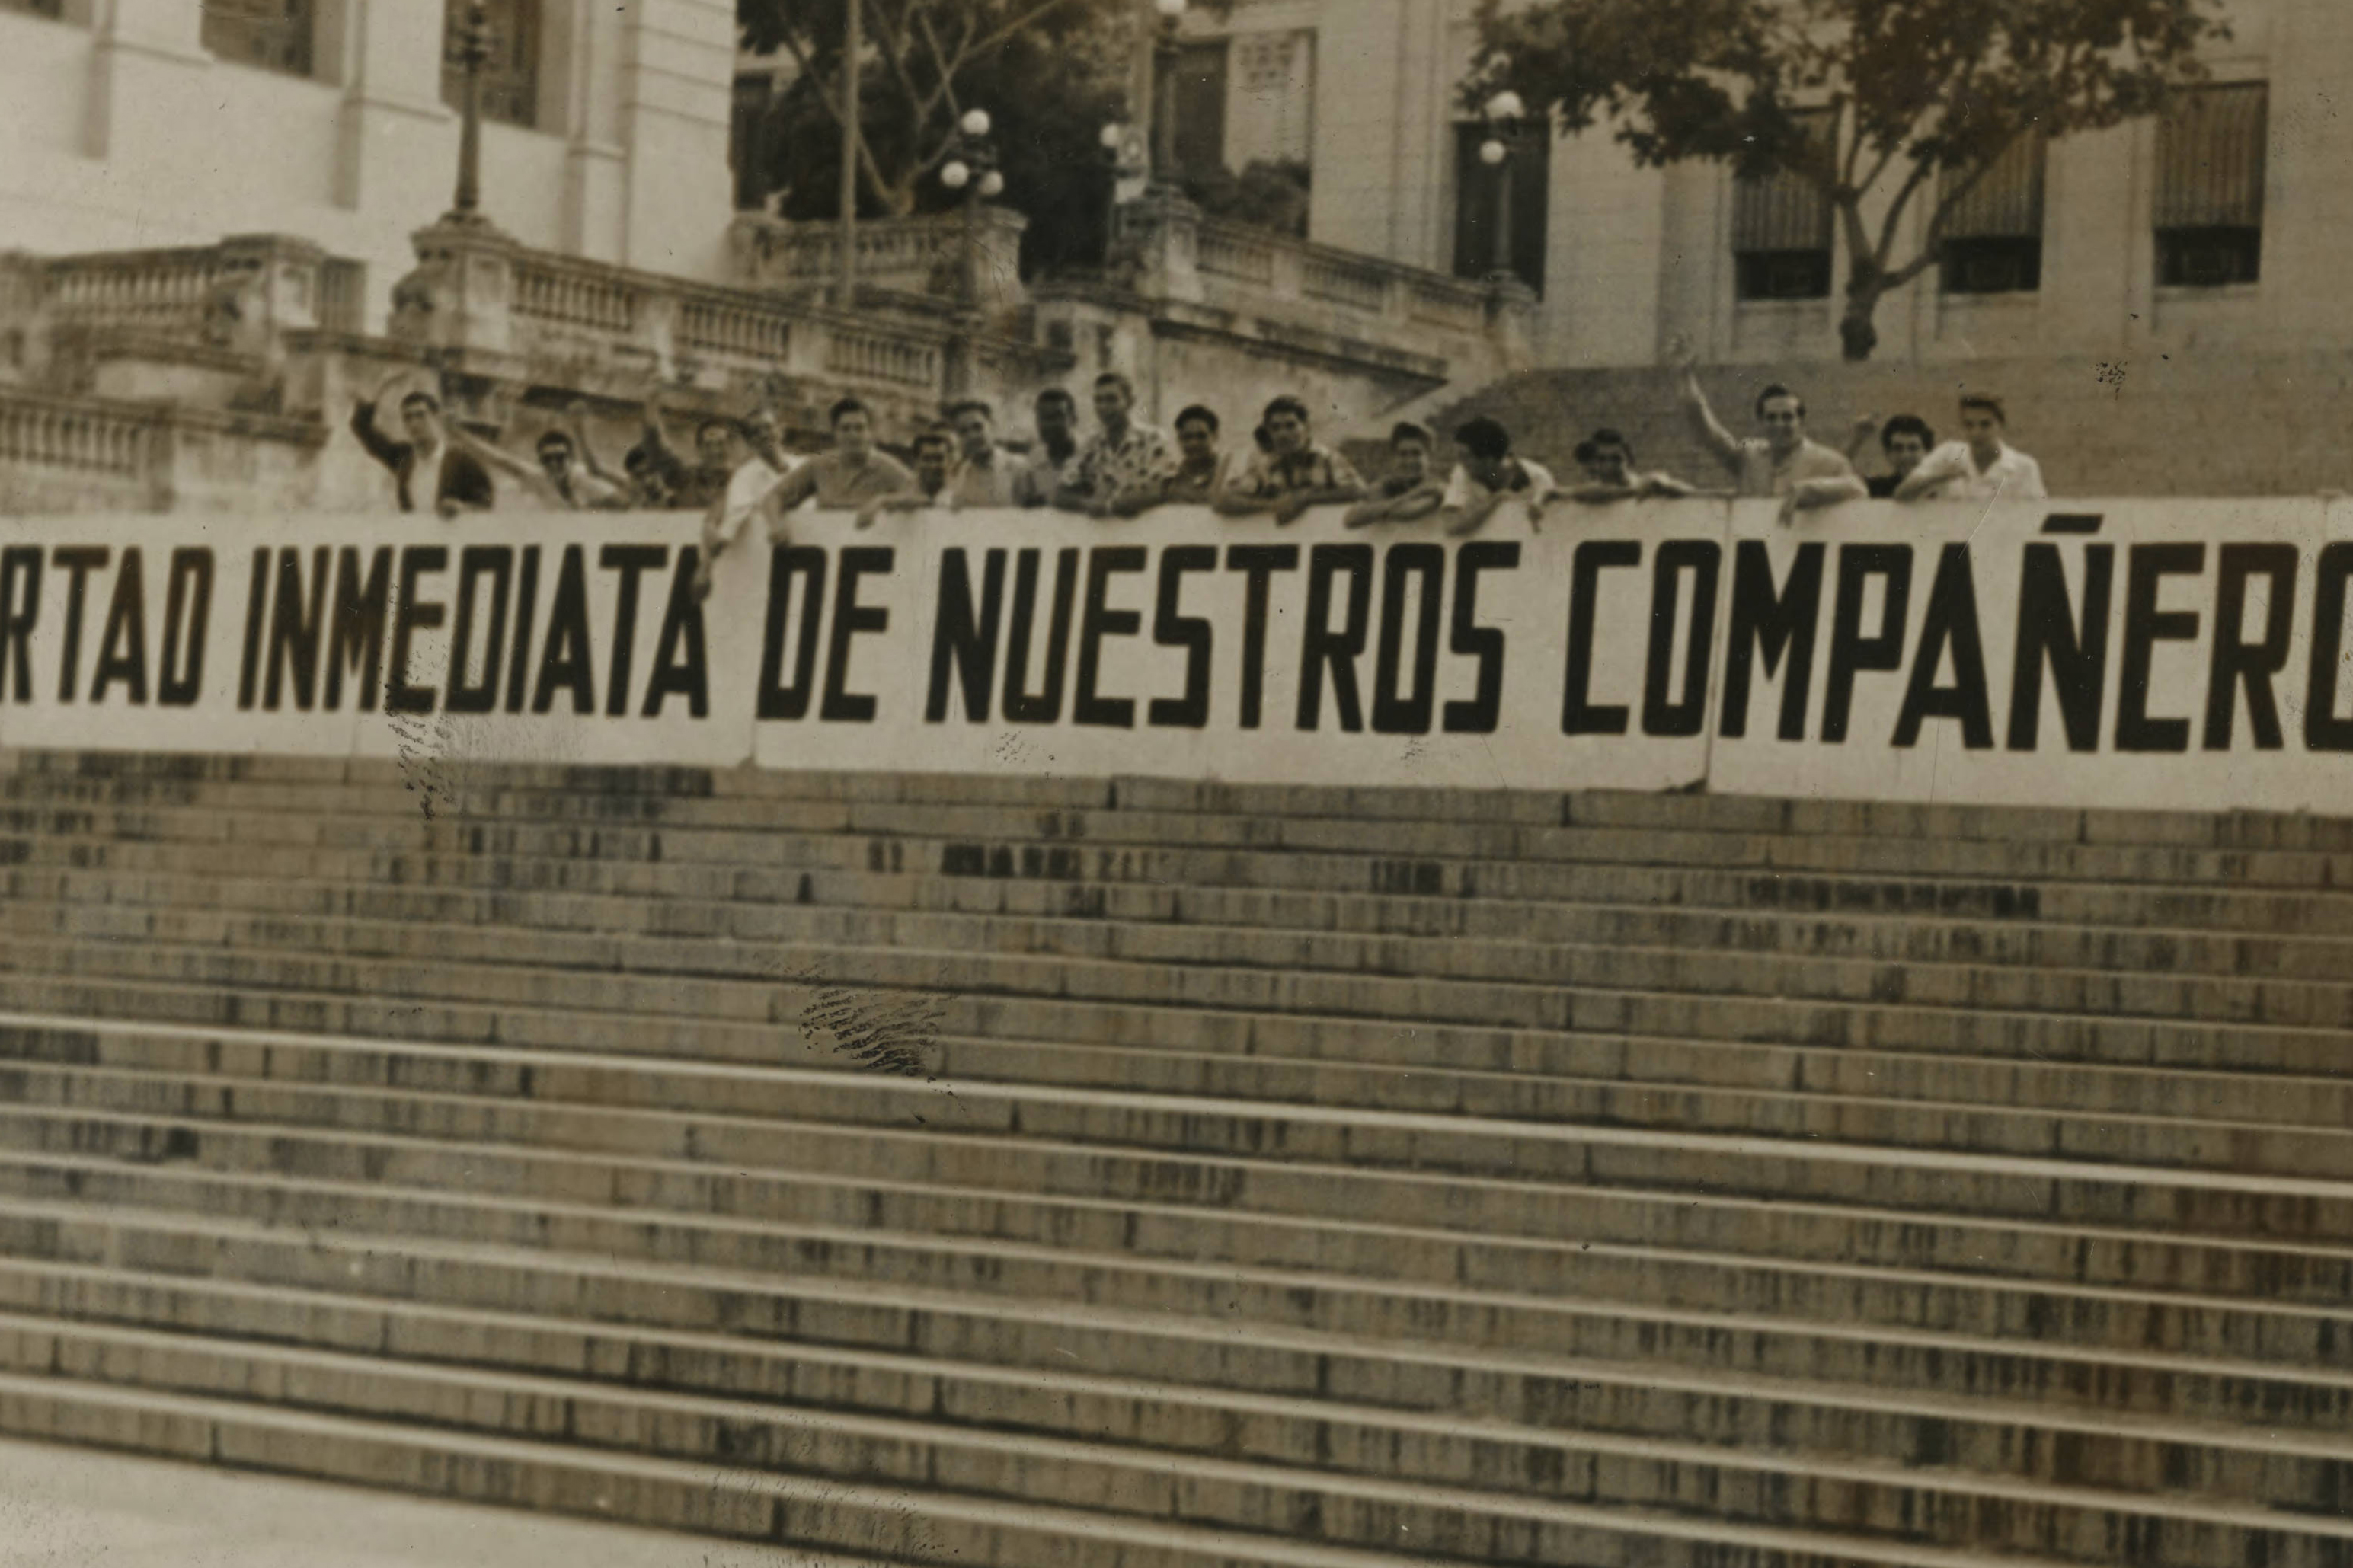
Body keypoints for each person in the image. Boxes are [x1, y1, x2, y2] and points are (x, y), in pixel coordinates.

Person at [1672, 338, 1866, 522]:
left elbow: (1858, 489)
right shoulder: (1749, 456)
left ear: (1801, 422)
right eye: (1771, 418)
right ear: (1761, 423)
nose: (1779, 424)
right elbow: (1708, 433)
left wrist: (1807, 490)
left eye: (1788, 417)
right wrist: (1686, 377)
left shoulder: (1827, 461)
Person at [750, 397, 919, 524]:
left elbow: (921, 495)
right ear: (835, 433)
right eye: (845, 429)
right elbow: (774, 497)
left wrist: (882, 501)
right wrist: (776, 525)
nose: (853, 435)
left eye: (859, 428)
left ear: (870, 433)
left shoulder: (886, 467)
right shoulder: (819, 465)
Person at [350, 370, 494, 517]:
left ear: (436, 418)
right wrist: (377, 390)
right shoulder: (403, 458)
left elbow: (486, 502)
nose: (414, 423)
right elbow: (363, 430)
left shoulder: (461, 460)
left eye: (421, 415)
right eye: (408, 418)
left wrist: (462, 508)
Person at [1215, 395, 1367, 523]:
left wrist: (1305, 497)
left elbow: (1358, 490)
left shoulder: (1327, 459)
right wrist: (1272, 505)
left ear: (1306, 427)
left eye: (1291, 426)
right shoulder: (1267, 466)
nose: (1283, 434)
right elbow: (1224, 501)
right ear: (1269, 433)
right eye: (1276, 428)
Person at [1063, 371, 1178, 518]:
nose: (1104, 407)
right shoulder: (1090, 444)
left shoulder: (1153, 439)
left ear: (1130, 401)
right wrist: (1086, 504)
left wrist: (1115, 504)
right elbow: (1061, 492)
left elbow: (1163, 489)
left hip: (1146, 534)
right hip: (1100, 536)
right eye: (1098, 400)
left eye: (1112, 399)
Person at [1895, 395, 2048, 501]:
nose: (1976, 432)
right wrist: (1940, 477)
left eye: (1985, 425)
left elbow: (2035, 515)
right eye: (1969, 425)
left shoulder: (2025, 466)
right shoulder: (1948, 454)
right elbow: (1901, 495)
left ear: (2001, 425)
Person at [1438, 417, 1556, 537]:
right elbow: (1451, 523)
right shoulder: (1463, 472)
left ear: (1488, 461)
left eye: (1465, 456)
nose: (1460, 462)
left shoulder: (1538, 477)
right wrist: (1496, 499)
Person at [1344, 422, 1446, 528]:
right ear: (1394, 458)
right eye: (1403, 454)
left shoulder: (1436, 486)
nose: (1410, 461)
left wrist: (1376, 509)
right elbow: (1351, 518)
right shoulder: (1389, 484)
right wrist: (1415, 493)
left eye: (1416, 453)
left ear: (1430, 457)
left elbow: (1408, 512)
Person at [855, 426, 958, 528]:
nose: (933, 465)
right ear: (916, 462)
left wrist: (883, 500)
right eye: (927, 459)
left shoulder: (958, 489)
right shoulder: (903, 488)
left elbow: (929, 501)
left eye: (939, 459)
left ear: (949, 461)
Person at [1565, 428, 1696, 503]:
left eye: (1616, 459)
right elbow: (1579, 492)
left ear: (1629, 460)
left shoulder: (1649, 480)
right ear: (1594, 464)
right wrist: (1632, 492)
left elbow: (1691, 493)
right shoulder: (1592, 490)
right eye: (1602, 459)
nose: (1609, 465)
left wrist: (1664, 485)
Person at [1012, 388, 1082, 509]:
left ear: (1074, 419)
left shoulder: (1091, 454)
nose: (1050, 425)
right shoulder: (1031, 463)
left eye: (1057, 417)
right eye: (1044, 418)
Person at [944, 400, 1021, 508]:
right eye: (963, 431)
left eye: (978, 427)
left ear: (992, 426)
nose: (972, 436)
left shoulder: (1019, 469)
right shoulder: (958, 478)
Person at [1848, 414, 1938, 499]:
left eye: (1913, 448)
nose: (1905, 455)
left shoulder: (1942, 489)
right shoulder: (1877, 489)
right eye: (1898, 448)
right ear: (1887, 454)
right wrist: (1856, 440)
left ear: (1928, 452)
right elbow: (1838, 477)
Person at [1164, 404, 1226, 506]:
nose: (1194, 443)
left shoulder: (1227, 474)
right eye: (1187, 437)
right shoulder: (1170, 477)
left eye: (1201, 436)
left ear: (1215, 436)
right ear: (1179, 439)